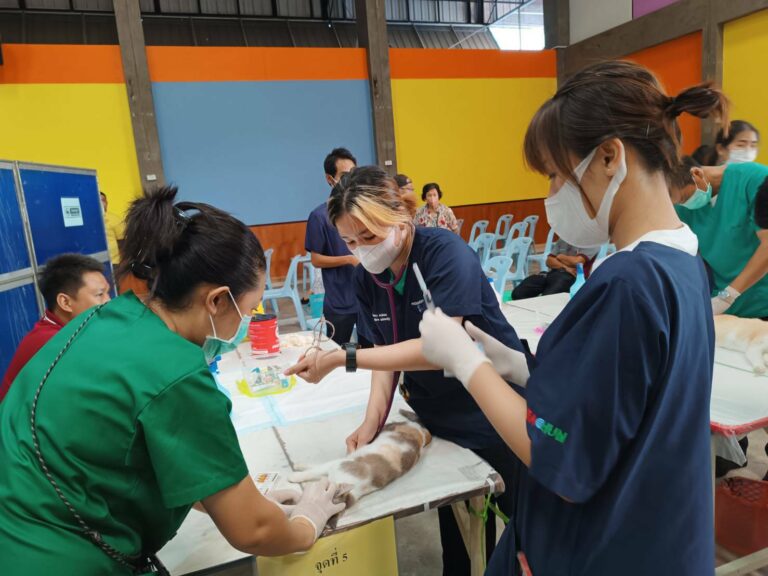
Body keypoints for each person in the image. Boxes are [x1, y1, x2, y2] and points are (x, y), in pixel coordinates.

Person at [418, 61, 724, 575]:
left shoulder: (630, 282)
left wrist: (466, 361)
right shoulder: (683, 259)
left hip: (605, 548)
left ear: (609, 157)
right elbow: (618, 396)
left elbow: (556, 453)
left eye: (557, 174)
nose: (552, 193)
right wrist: (522, 367)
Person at [0, 186, 344, 575]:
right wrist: (305, 523)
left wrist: (234, 494)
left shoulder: (99, 320)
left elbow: (127, 452)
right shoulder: (176, 374)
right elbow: (254, 530)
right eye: (249, 310)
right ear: (216, 300)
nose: (248, 323)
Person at [286, 166, 529, 576]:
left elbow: (442, 349)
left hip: (493, 407)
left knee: (524, 523)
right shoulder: (369, 278)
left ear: (400, 216)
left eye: (369, 237)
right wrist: (371, 422)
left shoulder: (445, 253)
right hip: (439, 414)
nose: (362, 250)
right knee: (459, 524)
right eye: (350, 241)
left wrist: (342, 359)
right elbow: (385, 351)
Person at [0, 253, 111, 402]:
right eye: (100, 294)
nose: (109, 301)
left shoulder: (72, 331)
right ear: (65, 302)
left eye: (107, 293)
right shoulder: (51, 343)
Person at [670, 156, 768, 318]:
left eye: (683, 199)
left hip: (761, 303)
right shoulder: (679, 207)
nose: (682, 205)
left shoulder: (755, 180)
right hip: (726, 310)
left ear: (696, 174)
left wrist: (728, 296)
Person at [305, 148, 370, 346]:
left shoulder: (365, 210)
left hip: (368, 297)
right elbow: (316, 260)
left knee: (371, 350)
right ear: (329, 179)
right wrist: (349, 259)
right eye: (344, 175)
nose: (350, 179)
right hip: (340, 301)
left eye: (353, 173)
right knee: (338, 352)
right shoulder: (319, 216)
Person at [511, 238, 594, 300]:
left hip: (572, 278)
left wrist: (560, 256)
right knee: (518, 293)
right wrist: (566, 267)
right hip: (551, 274)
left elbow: (577, 262)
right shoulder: (563, 240)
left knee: (547, 299)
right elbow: (549, 261)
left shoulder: (591, 243)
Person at [100, 191, 125, 265]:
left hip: (113, 263)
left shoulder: (114, 219)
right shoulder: (86, 219)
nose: (101, 203)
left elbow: (122, 241)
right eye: (98, 200)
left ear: (107, 202)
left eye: (103, 200)